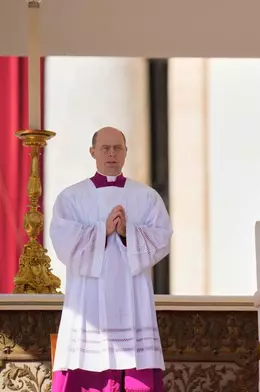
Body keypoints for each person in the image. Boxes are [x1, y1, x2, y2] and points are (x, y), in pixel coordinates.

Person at [50, 126, 172, 392]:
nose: (112, 154)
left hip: (133, 298)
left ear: (126, 153)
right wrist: (102, 231)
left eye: (117, 148)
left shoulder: (146, 197)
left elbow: (162, 238)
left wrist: (129, 233)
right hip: (88, 301)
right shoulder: (71, 197)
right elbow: (63, 242)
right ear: (93, 152)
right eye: (105, 148)